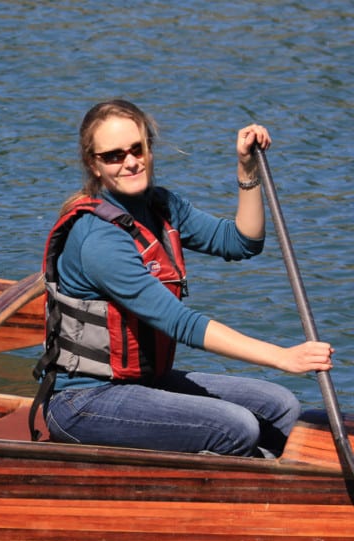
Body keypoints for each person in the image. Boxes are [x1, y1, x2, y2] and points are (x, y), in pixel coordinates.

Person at [31, 99, 334, 457]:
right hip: (84, 402)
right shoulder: (99, 239)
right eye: (113, 155)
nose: (130, 162)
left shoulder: (162, 206)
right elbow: (179, 322)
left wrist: (247, 168)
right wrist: (282, 357)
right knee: (237, 427)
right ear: (94, 165)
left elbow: (241, 242)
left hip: (145, 382)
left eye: (137, 149)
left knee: (281, 405)